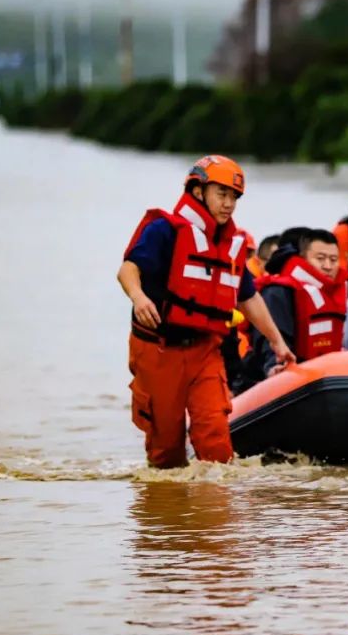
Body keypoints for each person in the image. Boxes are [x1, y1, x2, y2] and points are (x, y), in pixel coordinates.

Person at [118, 155, 296, 469]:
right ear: (199, 191)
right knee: (166, 455)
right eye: (222, 194)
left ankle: (215, 513)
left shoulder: (230, 247)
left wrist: (278, 343)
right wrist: (138, 297)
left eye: (234, 198)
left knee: (216, 442)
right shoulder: (165, 230)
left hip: (205, 349)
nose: (228, 204)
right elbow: (128, 270)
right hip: (160, 350)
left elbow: (249, 298)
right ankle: (171, 512)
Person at [247, 229, 348, 379]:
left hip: (322, 379)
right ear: (303, 259)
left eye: (333, 260)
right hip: (274, 380)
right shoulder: (278, 291)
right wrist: (273, 367)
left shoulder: (333, 294)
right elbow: (270, 339)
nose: (328, 266)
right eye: (320, 258)